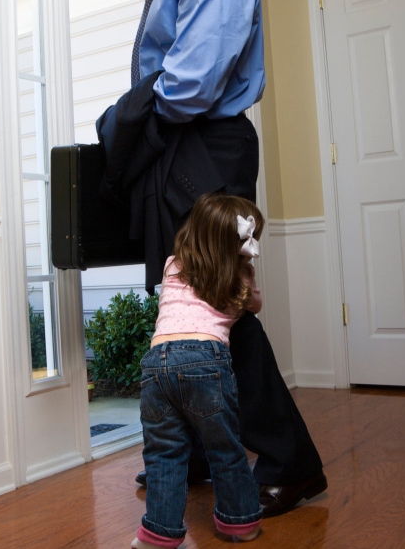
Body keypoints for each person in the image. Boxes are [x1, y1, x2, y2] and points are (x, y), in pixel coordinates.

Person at [118, 0, 327, 518]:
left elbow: (188, 87)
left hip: (203, 141)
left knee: (214, 306)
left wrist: (132, 117)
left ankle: (294, 463)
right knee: (185, 301)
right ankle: (203, 454)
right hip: (190, 145)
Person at [132, 193, 265, 549]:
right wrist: (246, 272)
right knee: (224, 448)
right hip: (205, 360)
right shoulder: (237, 276)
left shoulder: (173, 264)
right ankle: (240, 523)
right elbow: (255, 305)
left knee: (163, 453)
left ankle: (158, 533)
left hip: (157, 363)